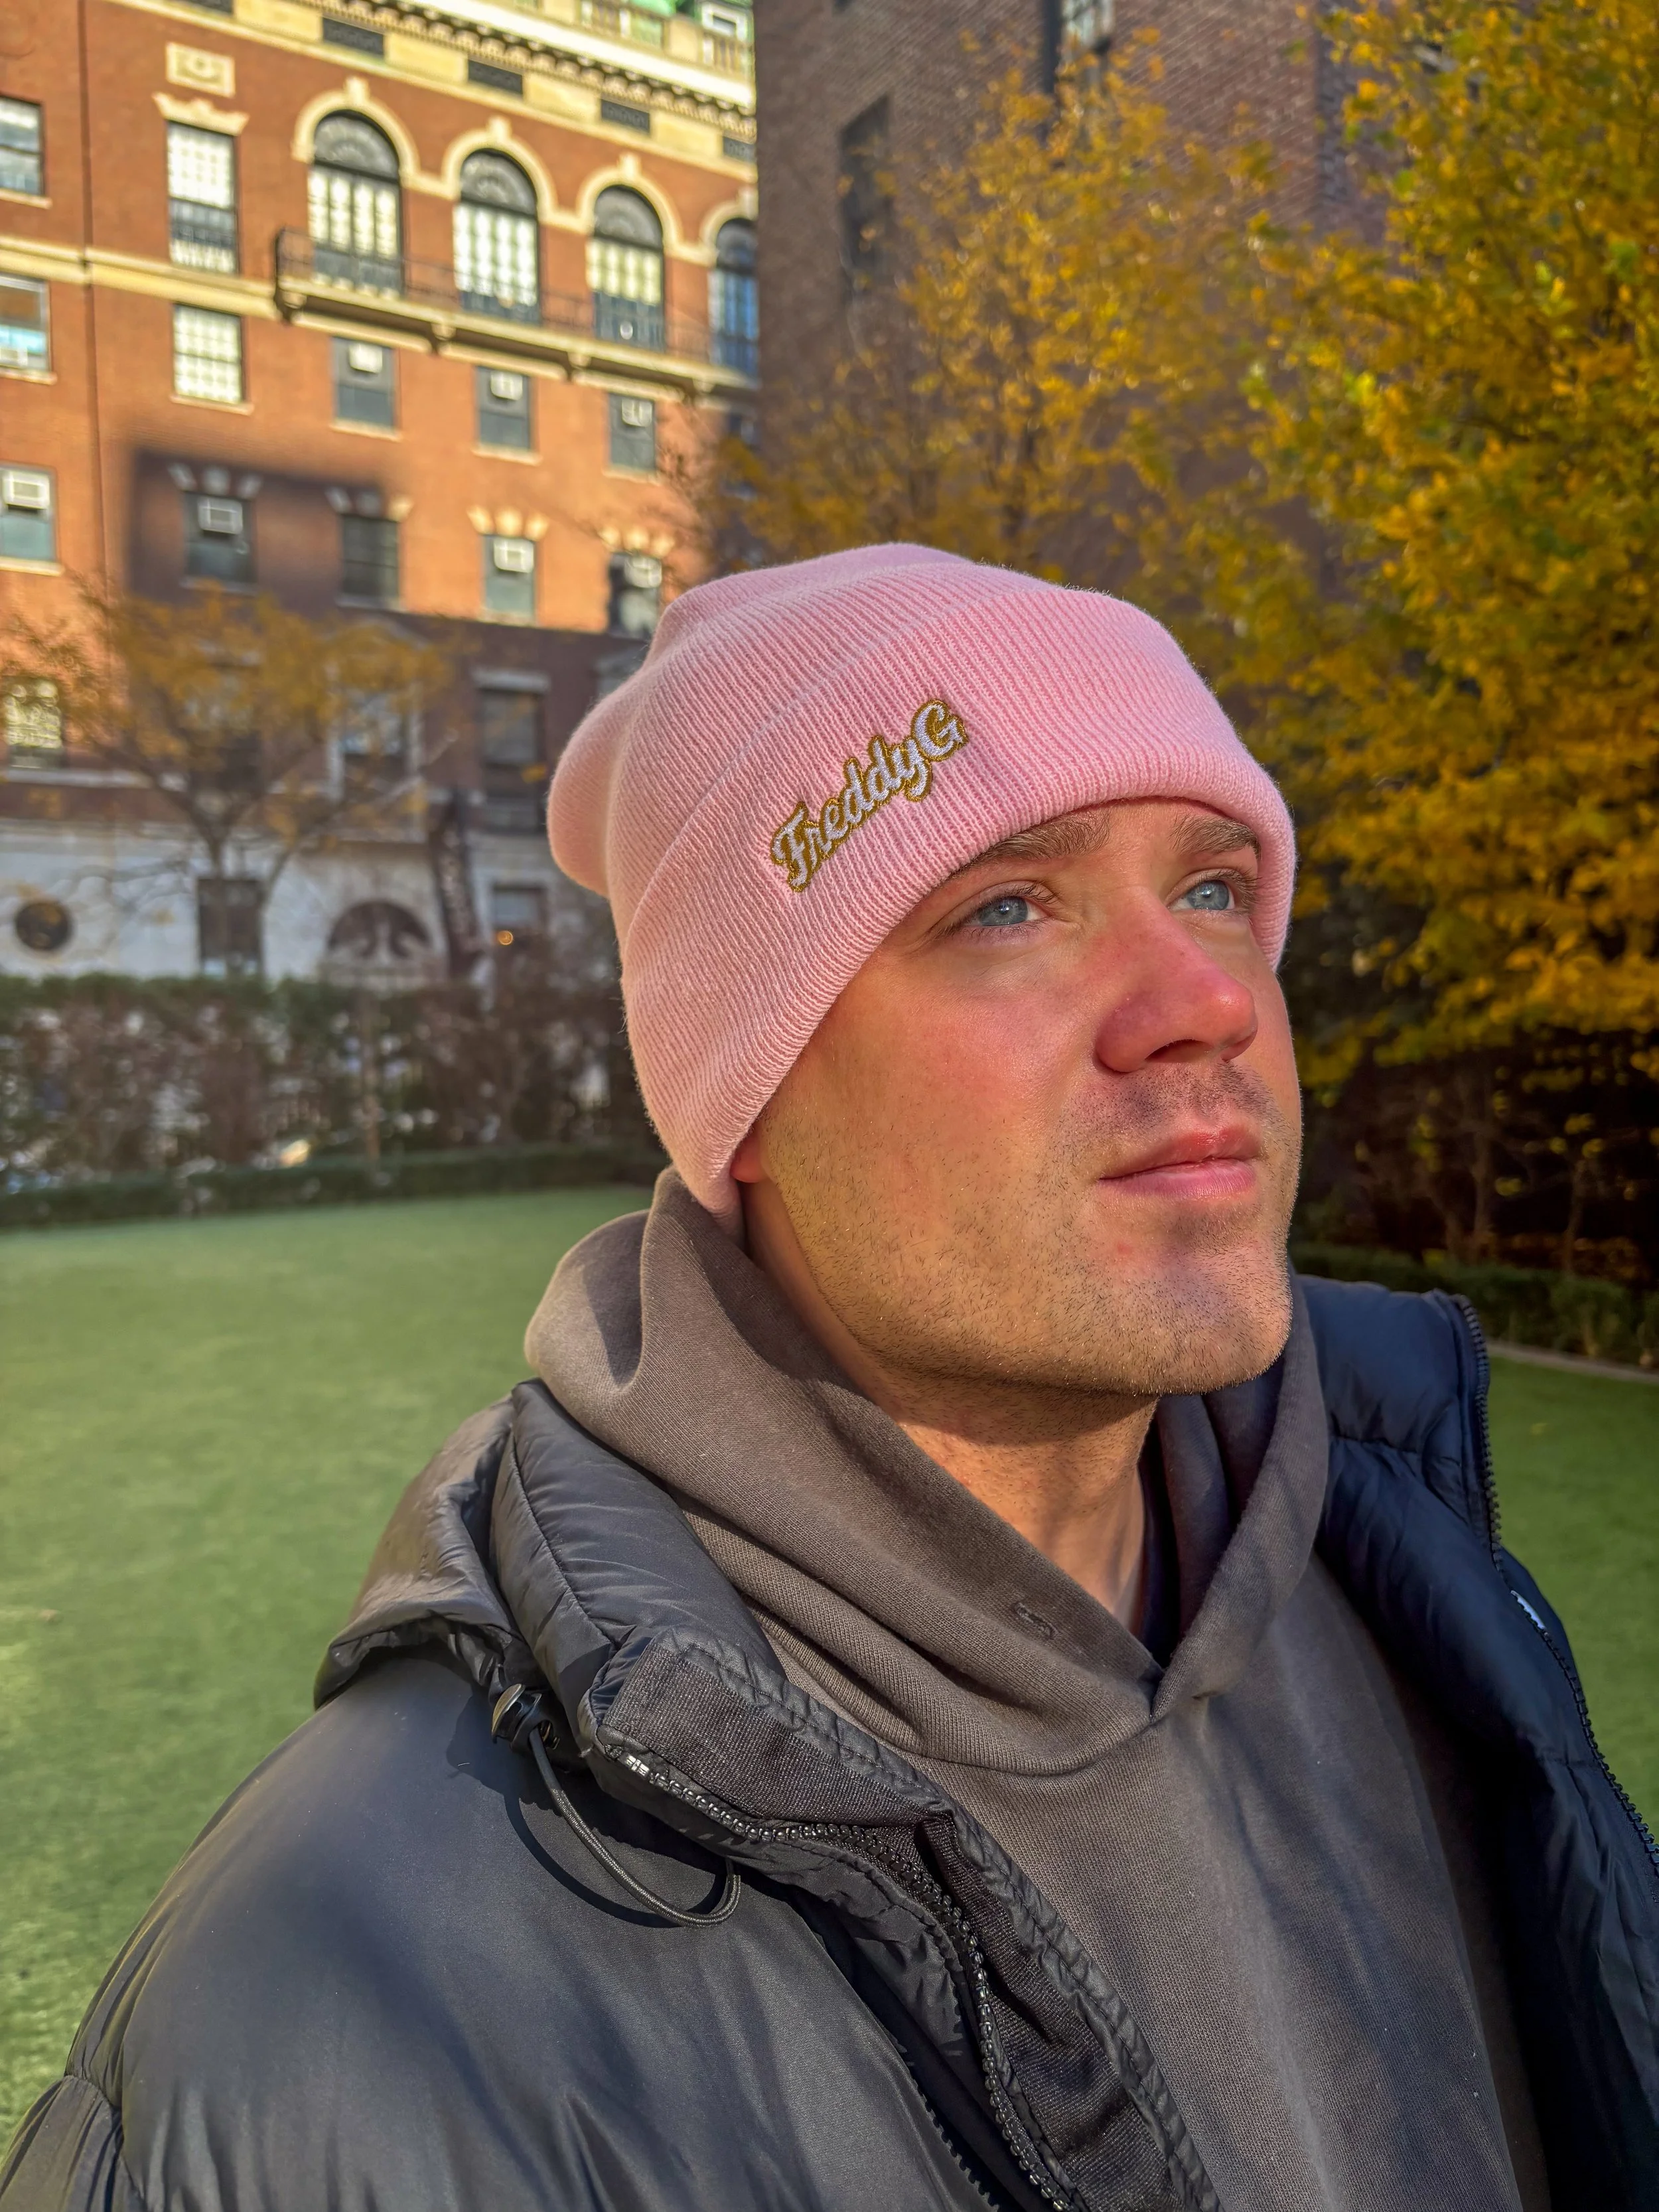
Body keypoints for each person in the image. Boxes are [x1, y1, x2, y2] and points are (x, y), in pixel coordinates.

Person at [4, 545, 1655, 2212]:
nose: (1205, 1001)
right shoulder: (329, 2012)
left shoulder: (1426, 1599)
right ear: (749, 1094)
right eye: (1006, 905)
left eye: (1216, 886)